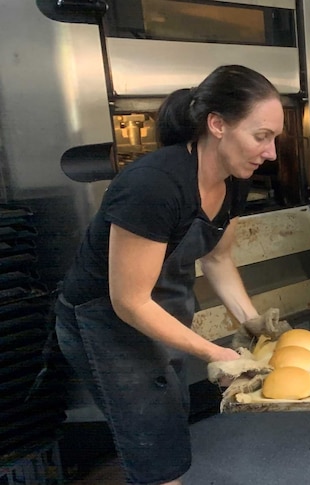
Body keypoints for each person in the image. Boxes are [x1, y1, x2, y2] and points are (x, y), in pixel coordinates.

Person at [54, 65, 284, 485]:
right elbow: (130, 300)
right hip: (104, 321)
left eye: (274, 139)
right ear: (217, 124)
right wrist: (216, 353)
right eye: (261, 136)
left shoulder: (232, 181)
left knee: (166, 418)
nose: (271, 152)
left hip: (160, 311)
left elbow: (217, 260)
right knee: (152, 437)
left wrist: (251, 323)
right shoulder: (154, 186)